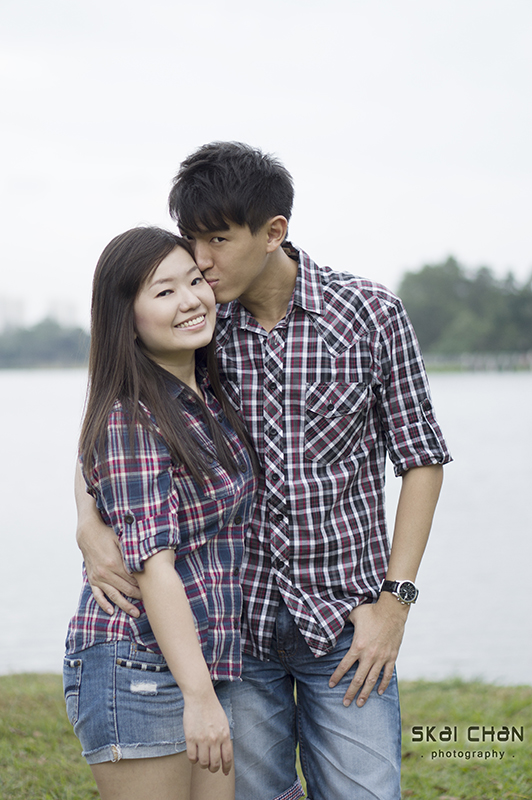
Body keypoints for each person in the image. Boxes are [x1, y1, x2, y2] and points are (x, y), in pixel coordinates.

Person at [76, 143, 452, 800]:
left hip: (346, 623)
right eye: (194, 240)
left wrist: (396, 603)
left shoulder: (369, 313)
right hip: (236, 634)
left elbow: (421, 458)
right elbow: (116, 411)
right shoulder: (201, 321)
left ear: (274, 231)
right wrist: (87, 519)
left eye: (218, 239)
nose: (202, 262)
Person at [64, 226, 258, 800]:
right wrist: (199, 698)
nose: (191, 299)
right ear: (128, 316)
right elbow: (155, 566)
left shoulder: (207, 395)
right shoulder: (132, 415)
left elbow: (89, 464)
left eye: (195, 280)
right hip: (140, 665)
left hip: (198, 660)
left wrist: (86, 517)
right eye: (164, 291)